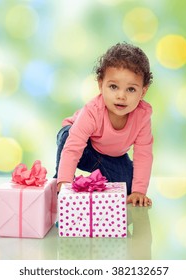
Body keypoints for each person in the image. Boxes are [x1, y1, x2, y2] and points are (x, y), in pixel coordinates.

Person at [54, 42, 154, 207]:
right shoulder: (93, 111)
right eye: (113, 87)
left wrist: (139, 191)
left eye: (131, 89)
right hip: (85, 148)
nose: (121, 96)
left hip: (112, 156)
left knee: (128, 189)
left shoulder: (142, 116)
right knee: (67, 135)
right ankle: (60, 181)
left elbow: (143, 154)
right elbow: (73, 145)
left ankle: (92, 183)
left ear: (143, 91)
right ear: (101, 85)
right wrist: (64, 181)